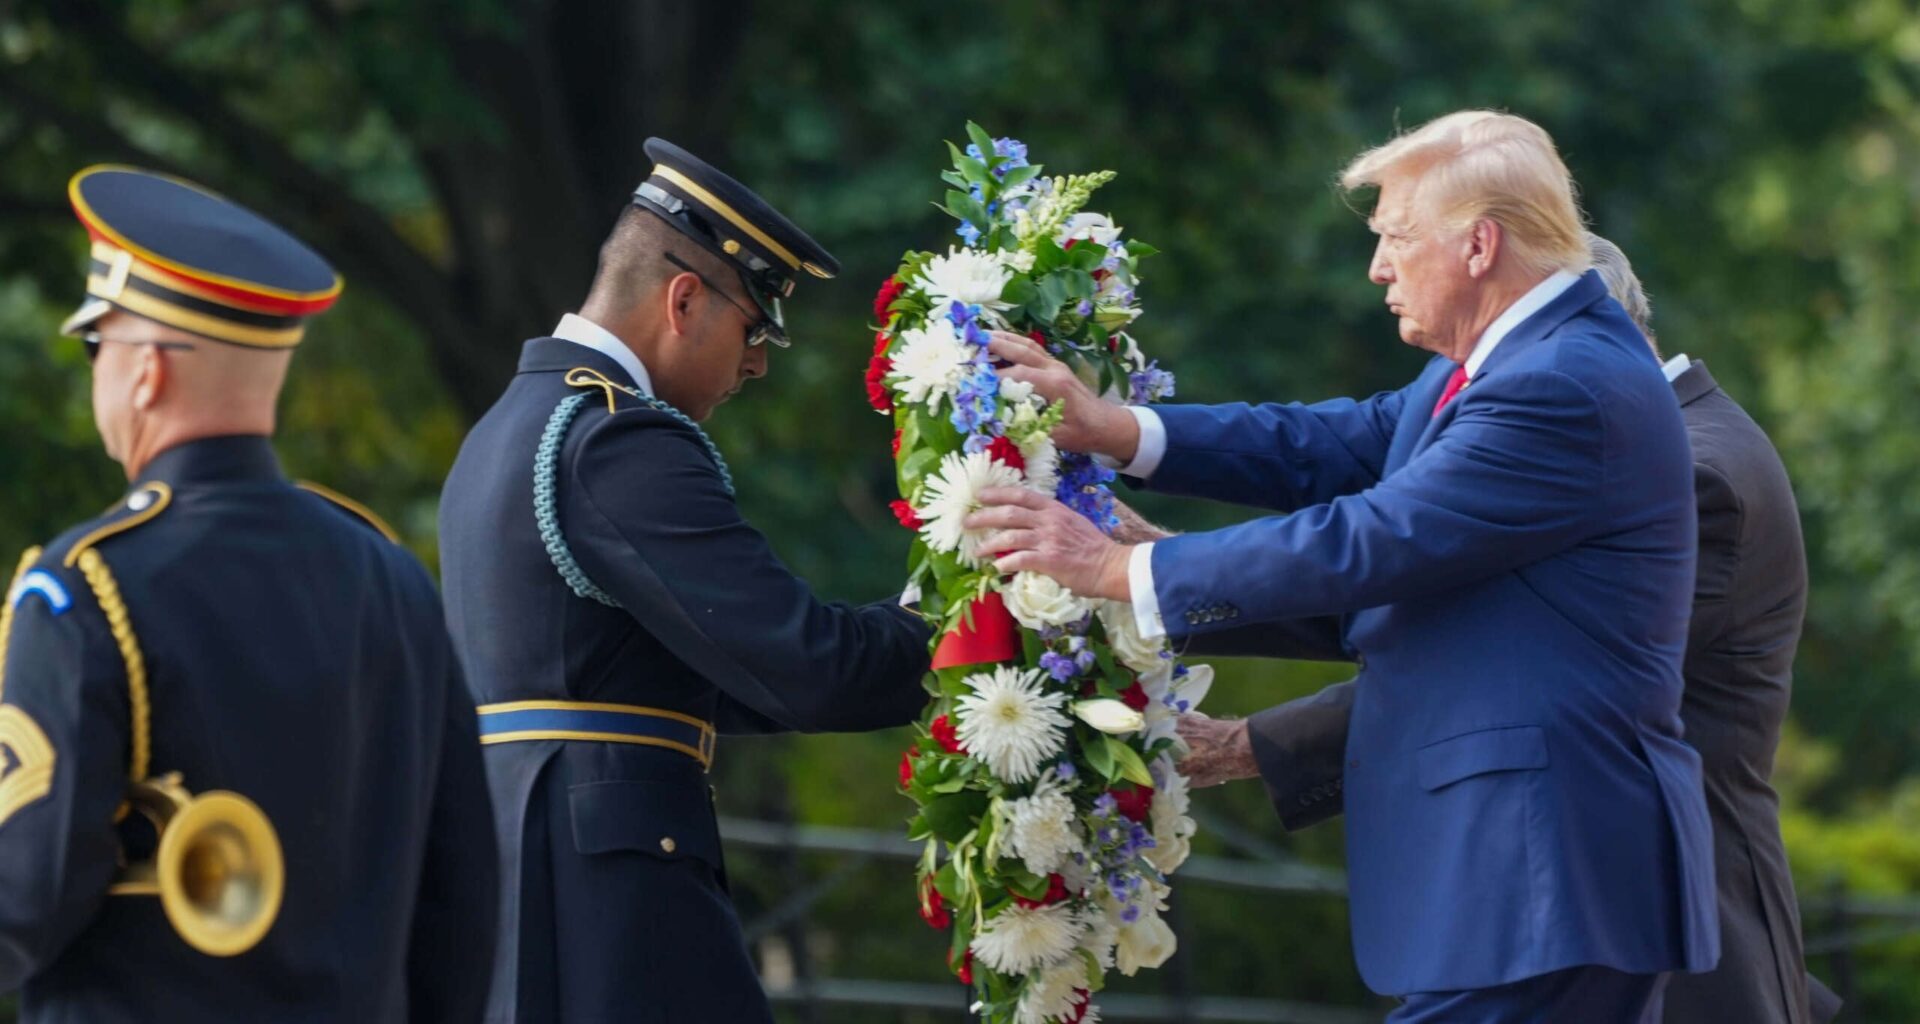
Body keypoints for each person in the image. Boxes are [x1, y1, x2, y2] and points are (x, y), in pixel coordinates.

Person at [969, 111, 1716, 1020]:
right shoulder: (1519, 357)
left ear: (1480, 244)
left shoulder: (1559, 381)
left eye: (1397, 238)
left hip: (1541, 873)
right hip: (1523, 876)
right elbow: (1335, 443)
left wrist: (1112, 568)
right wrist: (1116, 429)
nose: (1378, 268)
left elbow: (1371, 535)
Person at [1180, 233, 1839, 1024]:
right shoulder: (1631, 435)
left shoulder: (1694, 472)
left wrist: (1239, 742)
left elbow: (1487, 663)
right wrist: (1164, 572)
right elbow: (1405, 564)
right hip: (1557, 911)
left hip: (1648, 942)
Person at [438, 139, 933, 1023]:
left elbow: (689, 673)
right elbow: (805, 662)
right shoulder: (617, 438)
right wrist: (961, 618)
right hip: (609, 905)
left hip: (522, 878)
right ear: (683, 299)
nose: (757, 364)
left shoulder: (505, 431)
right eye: (754, 329)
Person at [0, 167, 497, 1022]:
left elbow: (26, 899)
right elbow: (463, 900)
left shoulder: (85, 587)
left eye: (97, 346)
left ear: (147, 372)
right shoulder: (394, 579)